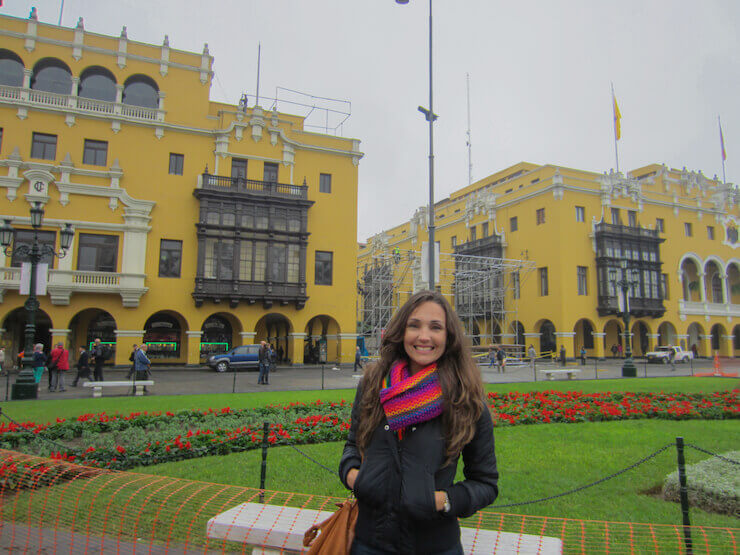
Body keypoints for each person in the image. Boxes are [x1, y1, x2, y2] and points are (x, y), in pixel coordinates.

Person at [339, 290, 498, 554]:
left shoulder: (465, 400)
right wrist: (355, 476)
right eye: (414, 325)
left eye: (435, 327)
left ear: (448, 337)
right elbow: (352, 447)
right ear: (402, 331)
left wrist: (441, 500)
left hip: (434, 545)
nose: (424, 336)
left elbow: (485, 482)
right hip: (369, 542)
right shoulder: (373, 386)